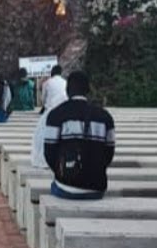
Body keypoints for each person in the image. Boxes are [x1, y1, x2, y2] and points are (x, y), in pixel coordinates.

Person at [44, 71, 116, 200]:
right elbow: (108, 154)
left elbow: (49, 153)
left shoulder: (56, 115)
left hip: (66, 186)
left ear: (67, 90)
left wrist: (62, 173)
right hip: (96, 187)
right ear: (88, 90)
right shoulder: (105, 117)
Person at [32, 65, 69, 170]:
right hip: (63, 111)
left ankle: (45, 159)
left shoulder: (47, 83)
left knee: (41, 136)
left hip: (50, 111)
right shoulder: (65, 82)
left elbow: (43, 100)